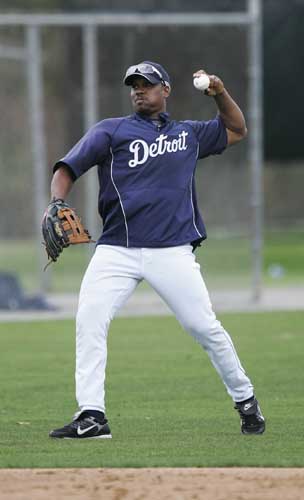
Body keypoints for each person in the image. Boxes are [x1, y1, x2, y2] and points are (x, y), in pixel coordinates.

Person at [49, 61, 265, 439]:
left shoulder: (188, 134)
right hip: (116, 249)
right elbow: (67, 169)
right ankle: (92, 415)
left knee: (204, 327)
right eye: (133, 85)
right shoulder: (110, 131)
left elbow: (237, 129)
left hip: (172, 251)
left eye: (146, 84)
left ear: (165, 90)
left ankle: (245, 399)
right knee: (89, 320)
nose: (138, 90)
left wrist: (219, 91)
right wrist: (56, 202)